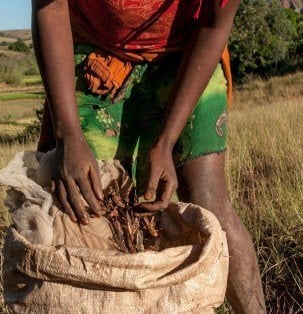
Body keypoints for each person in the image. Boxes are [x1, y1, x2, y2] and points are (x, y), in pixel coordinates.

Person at [32, 0, 266, 312]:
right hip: (98, 56)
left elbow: (213, 25)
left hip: (188, 52)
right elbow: (51, 8)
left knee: (210, 202)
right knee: (82, 206)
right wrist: (68, 134)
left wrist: (166, 141)